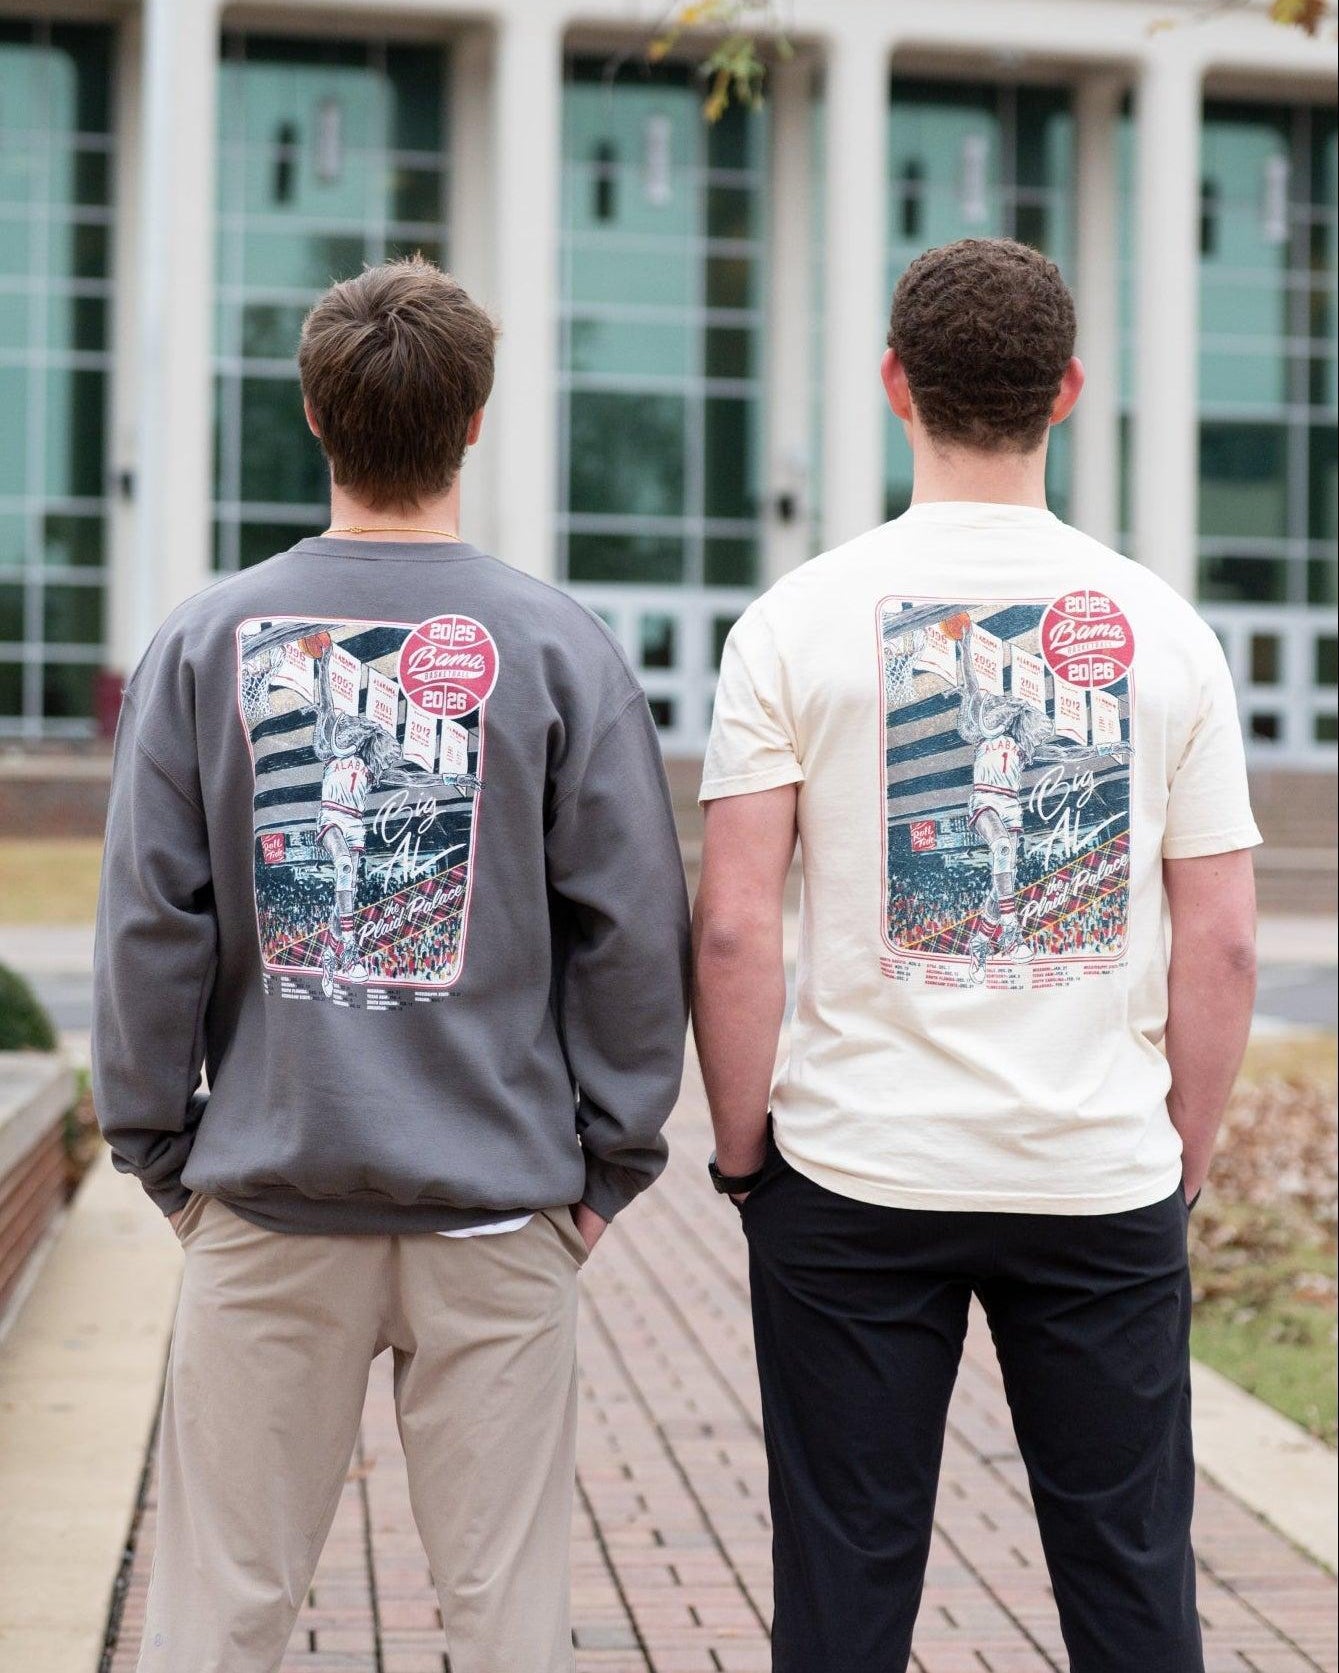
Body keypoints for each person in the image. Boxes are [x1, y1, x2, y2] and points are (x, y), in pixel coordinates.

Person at [93, 256, 690, 1673]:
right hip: (499, 1211)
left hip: (268, 1204)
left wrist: (160, 1147)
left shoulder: (205, 642)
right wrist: (610, 1158)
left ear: (315, 413)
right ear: (474, 421)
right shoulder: (559, 646)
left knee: (219, 1614)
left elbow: (149, 925)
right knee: (508, 1620)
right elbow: (632, 930)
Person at [692, 237, 1260, 1673]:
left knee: (844, 1585)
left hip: (857, 1171)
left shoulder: (793, 621)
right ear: (1066, 392)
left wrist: (746, 1155)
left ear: (897, 385)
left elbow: (736, 922)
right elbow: (1226, 941)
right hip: (1096, 1170)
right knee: (1132, 1586)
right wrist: (1176, 1156)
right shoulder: (1169, 632)